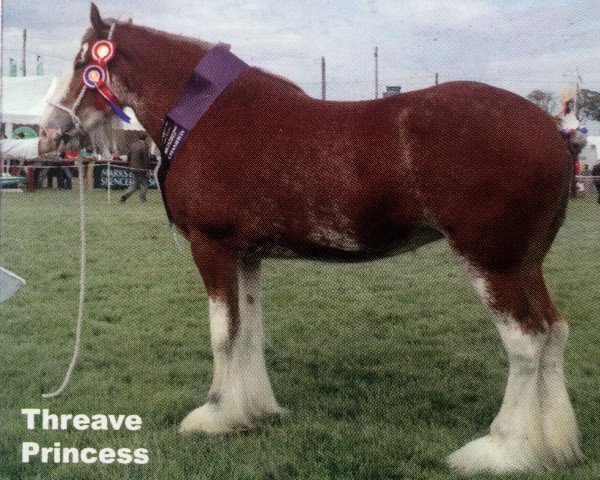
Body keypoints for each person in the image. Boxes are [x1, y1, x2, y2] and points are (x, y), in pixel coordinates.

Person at [121, 134, 152, 203]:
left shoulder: (133, 145)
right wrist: (146, 170)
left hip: (133, 168)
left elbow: (128, 156)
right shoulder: (145, 146)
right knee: (144, 184)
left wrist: (129, 165)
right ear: (145, 139)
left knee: (134, 185)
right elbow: (146, 159)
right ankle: (142, 200)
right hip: (141, 168)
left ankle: (125, 195)